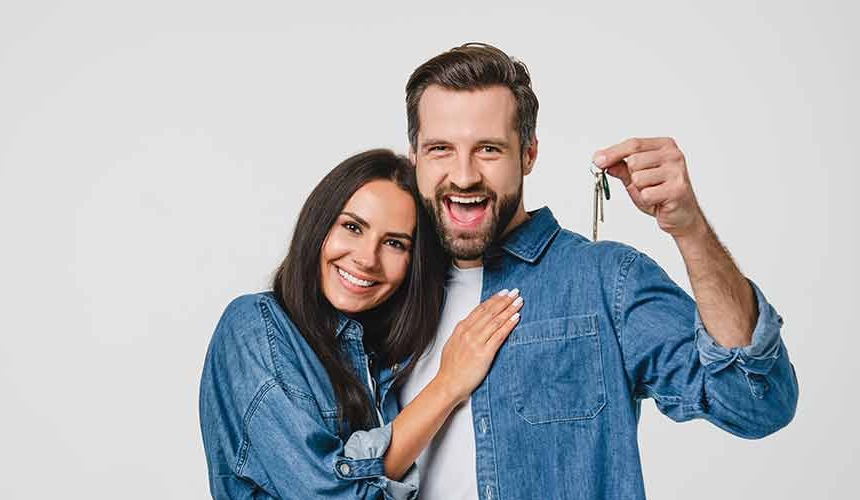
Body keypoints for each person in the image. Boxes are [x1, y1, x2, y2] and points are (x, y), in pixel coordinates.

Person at [398, 43, 799, 500]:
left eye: (488, 149)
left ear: (528, 154)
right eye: (440, 149)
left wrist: (689, 230)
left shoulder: (607, 280)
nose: (464, 175)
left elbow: (755, 404)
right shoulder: (386, 292)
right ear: (414, 157)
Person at [199, 149, 525, 499]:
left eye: (394, 244)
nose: (367, 259)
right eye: (352, 227)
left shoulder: (377, 358)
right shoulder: (253, 326)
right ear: (318, 224)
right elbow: (329, 493)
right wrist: (447, 386)